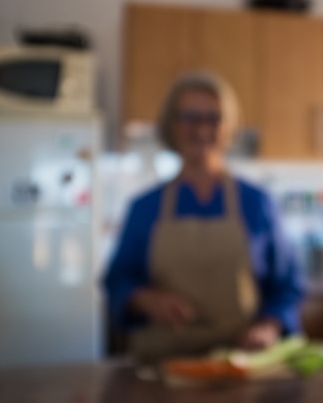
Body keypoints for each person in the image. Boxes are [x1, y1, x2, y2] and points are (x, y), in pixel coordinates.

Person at [103, 72, 305, 362]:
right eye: (189, 117)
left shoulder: (257, 202)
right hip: (163, 364)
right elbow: (118, 280)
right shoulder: (145, 207)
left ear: (228, 127)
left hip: (238, 361)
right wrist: (146, 300)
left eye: (213, 118)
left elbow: (287, 285)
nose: (201, 129)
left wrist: (269, 326)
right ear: (171, 125)